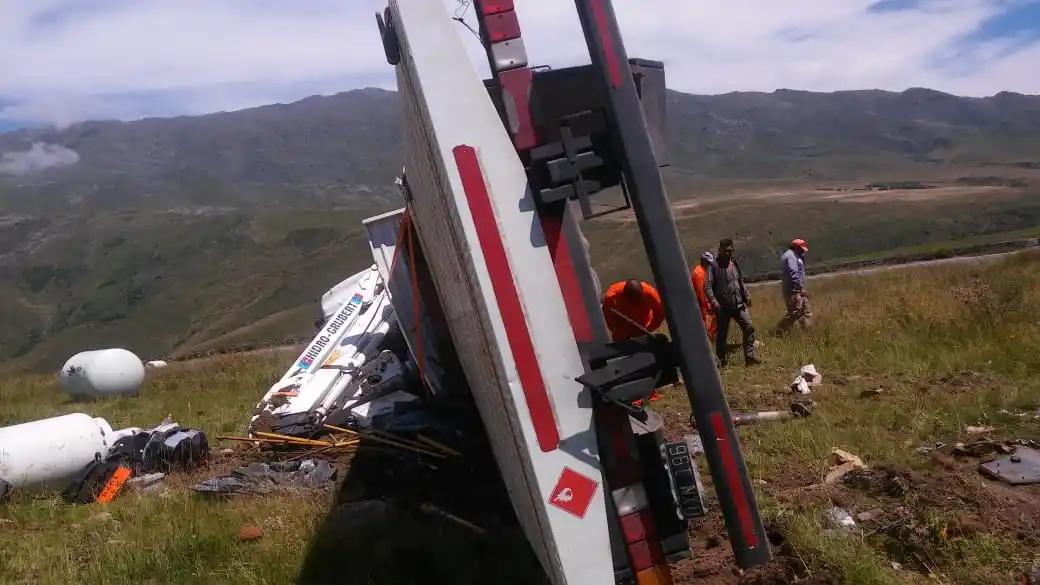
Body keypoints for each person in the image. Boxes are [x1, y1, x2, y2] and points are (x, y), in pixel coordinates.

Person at [601, 279, 665, 404]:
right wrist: (616, 328)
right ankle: (629, 393)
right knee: (622, 362)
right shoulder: (612, 295)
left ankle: (649, 391)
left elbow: (660, 312)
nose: (635, 304)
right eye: (632, 301)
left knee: (645, 359)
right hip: (622, 330)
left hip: (642, 327)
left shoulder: (650, 293)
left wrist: (650, 327)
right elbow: (607, 316)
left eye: (638, 300)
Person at [703, 238, 760, 367]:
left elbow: (740, 281)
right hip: (723, 307)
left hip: (739, 305)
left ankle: (750, 358)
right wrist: (714, 302)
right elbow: (707, 285)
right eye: (726, 251)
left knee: (749, 327)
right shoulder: (714, 266)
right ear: (720, 250)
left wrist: (746, 294)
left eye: (730, 250)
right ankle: (722, 361)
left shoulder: (734, 263)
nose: (729, 253)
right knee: (722, 335)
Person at [775, 238, 813, 335]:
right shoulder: (791, 257)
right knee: (795, 313)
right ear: (796, 247)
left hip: (797, 289)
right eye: (801, 249)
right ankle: (779, 330)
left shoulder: (794, 255)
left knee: (806, 311)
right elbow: (794, 274)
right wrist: (800, 288)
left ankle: (807, 332)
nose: (803, 251)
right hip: (794, 290)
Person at [691, 252, 717, 342]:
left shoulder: (701, 271)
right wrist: (709, 305)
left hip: (698, 305)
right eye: (709, 263)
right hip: (698, 305)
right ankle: (710, 338)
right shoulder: (700, 274)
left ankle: (709, 338)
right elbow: (701, 293)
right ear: (703, 261)